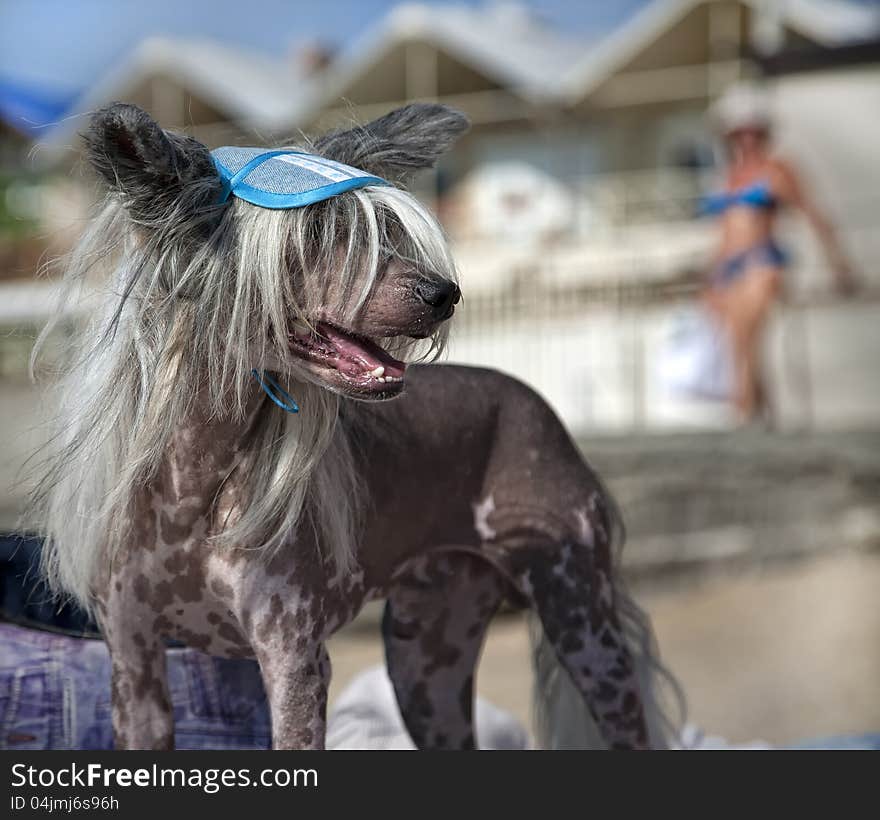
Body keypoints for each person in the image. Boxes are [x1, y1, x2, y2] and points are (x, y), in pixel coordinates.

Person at [702, 86, 855, 422]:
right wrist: (711, 277)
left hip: (762, 260)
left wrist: (839, 263)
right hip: (728, 268)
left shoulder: (777, 170)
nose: (748, 140)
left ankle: (741, 415)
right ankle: (763, 417)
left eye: (754, 132)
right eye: (740, 133)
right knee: (736, 344)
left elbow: (813, 213)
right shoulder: (727, 178)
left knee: (746, 337)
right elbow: (723, 234)